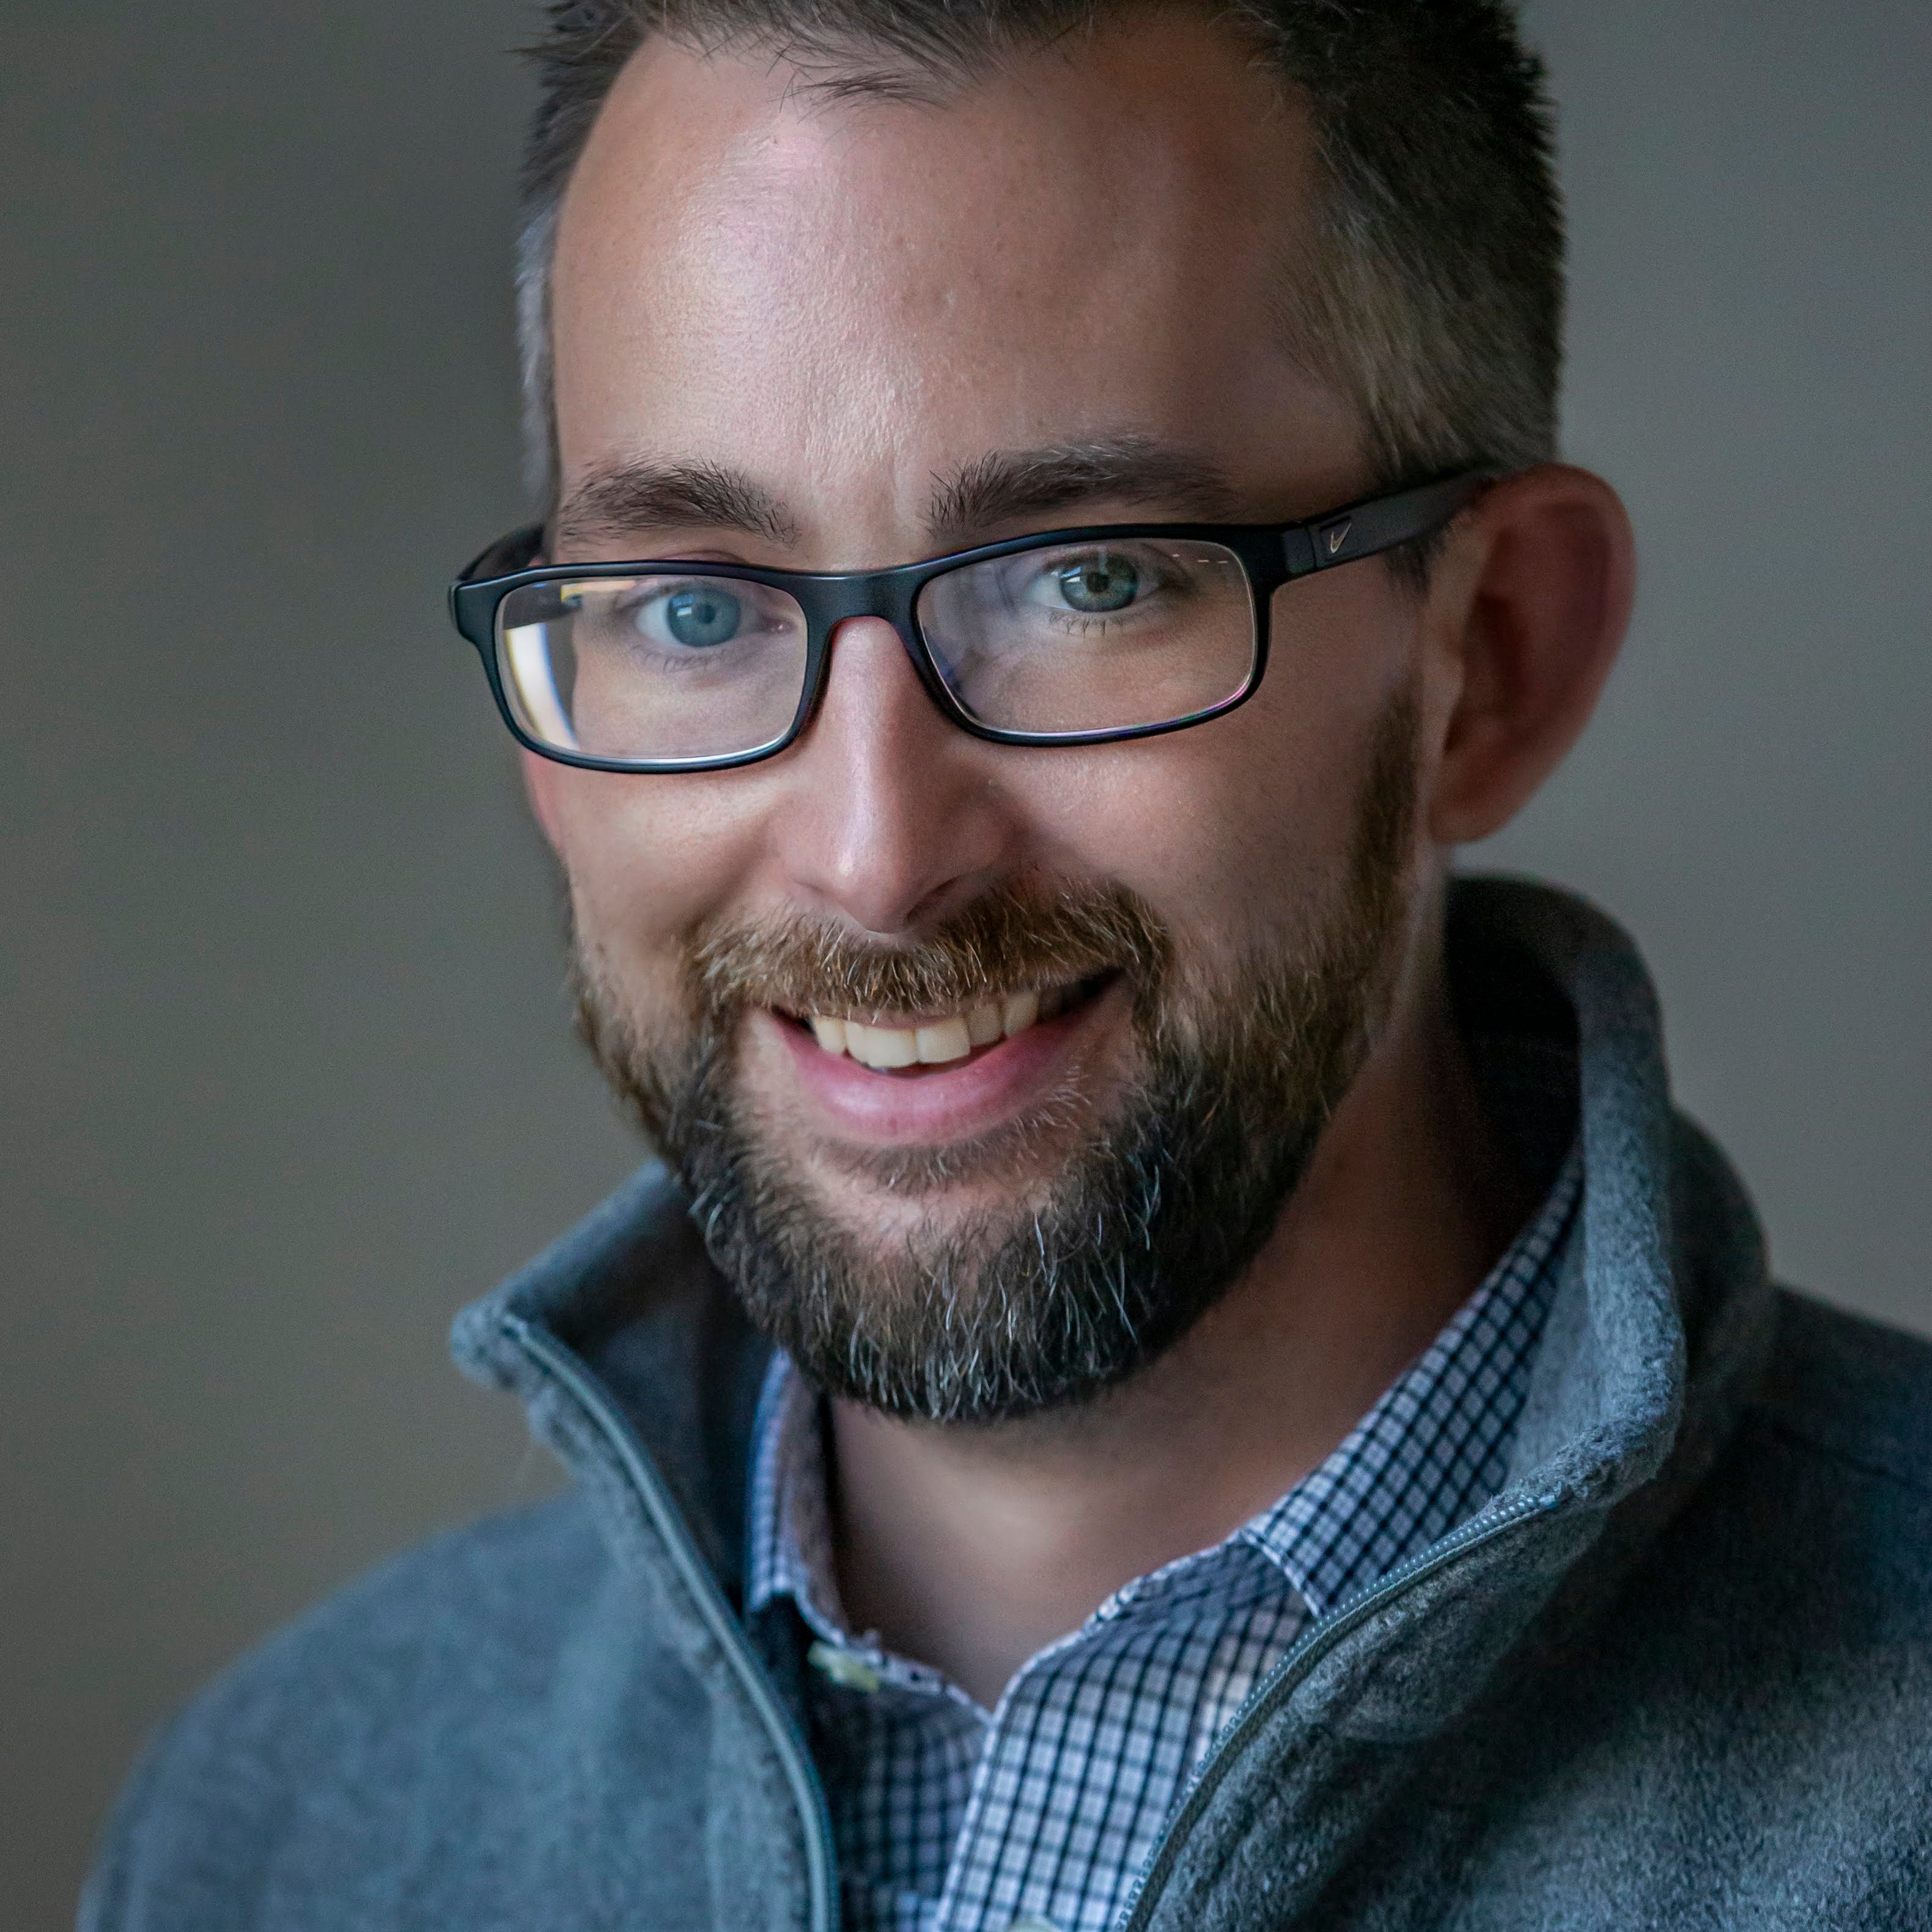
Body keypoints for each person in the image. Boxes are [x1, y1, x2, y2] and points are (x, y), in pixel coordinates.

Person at [83, 2, 1932, 1926]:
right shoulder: (283, 1825)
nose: (877, 859)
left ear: (1495, 659)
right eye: (695, 606)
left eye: (1090, 579)